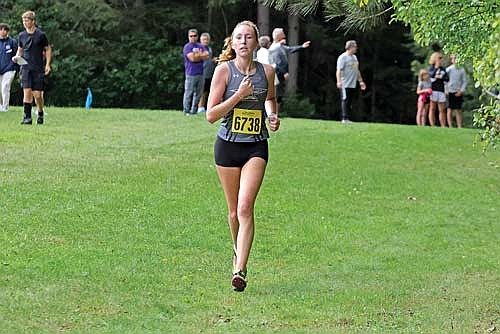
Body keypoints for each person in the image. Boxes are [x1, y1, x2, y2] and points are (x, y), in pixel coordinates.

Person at [206, 20, 280, 292]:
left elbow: (270, 98)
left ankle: (240, 270)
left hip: (255, 146)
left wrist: (272, 114)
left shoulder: (268, 71)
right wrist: (238, 96)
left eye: (249, 37)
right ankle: (238, 253)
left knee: (246, 206)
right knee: (233, 213)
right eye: (239, 37)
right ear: (233, 42)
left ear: (256, 42)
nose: (244, 41)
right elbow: (211, 115)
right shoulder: (223, 72)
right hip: (227, 146)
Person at [12, 11, 51, 125]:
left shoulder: (41, 35)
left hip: (37, 68)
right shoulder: (21, 35)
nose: (25, 23)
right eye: (23, 20)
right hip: (25, 67)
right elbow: (20, 50)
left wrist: (47, 64)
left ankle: (40, 112)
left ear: (33, 21)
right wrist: (16, 57)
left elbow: (48, 49)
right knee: (27, 92)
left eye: (27, 20)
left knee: (37, 95)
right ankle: (27, 118)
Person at [268, 28, 310, 113]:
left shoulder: (280, 46)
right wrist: (285, 72)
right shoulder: (274, 48)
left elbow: (290, 49)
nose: (284, 35)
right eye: (282, 33)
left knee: (279, 94)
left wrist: (302, 46)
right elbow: (278, 62)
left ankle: (276, 113)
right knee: (276, 94)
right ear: (278, 36)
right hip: (277, 74)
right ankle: (273, 113)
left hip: (280, 74)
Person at [336, 40, 366, 123]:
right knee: (345, 100)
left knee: (349, 101)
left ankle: (347, 118)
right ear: (350, 47)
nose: (356, 48)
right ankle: (344, 118)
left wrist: (361, 81)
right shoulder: (343, 57)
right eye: (355, 46)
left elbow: (356, 70)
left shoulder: (354, 57)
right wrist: (339, 81)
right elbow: (339, 70)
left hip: (352, 84)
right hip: (344, 83)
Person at [182, 28, 208, 116]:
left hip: (200, 73)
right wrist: (200, 55)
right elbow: (192, 58)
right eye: (191, 36)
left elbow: (207, 55)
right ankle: (186, 111)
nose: (193, 37)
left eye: (194, 36)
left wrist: (198, 55)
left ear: (197, 36)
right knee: (189, 93)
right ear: (188, 37)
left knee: (199, 93)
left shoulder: (200, 45)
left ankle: (194, 111)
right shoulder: (187, 47)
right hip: (190, 73)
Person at [0, 23, 19, 112]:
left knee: (5, 87)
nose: (2, 31)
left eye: (4, 30)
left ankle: (5, 107)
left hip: (9, 69)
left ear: (7, 31)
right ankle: (0, 106)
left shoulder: (12, 42)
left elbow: (17, 55)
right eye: (1, 29)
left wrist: (15, 68)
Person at [197, 32, 216, 113]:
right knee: (200, 91)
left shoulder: (209, 49)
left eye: (207, 39)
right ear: (201, 40)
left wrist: (213, 60)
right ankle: (198, 107)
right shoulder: (199, 49)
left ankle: (203, 107)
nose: (206, 41)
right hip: (201, 73)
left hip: (209, 73)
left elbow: (208, 60)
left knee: (206, 91)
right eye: (204, 39)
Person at [428, 52, 448, 127]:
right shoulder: (431, 68)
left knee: (442, 109)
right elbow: (431, 74)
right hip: (433, 90)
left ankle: (443, 125)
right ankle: (432, 125)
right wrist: (436, 68)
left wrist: (440, 77)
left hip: (441, 90)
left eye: (441, 58)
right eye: (439, 58)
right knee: (432, 108)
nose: (440, 60)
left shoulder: (443, 69)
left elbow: (447, 78)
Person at [446, 54, 467, 128]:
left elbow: (464, 81)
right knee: (449, 109)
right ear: (452, 60)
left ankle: (459, 126)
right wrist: (446, 89)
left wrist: (461, 91)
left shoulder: (462, 69)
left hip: (458, 92)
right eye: (454, 59)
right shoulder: (449, 69)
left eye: (457, 58)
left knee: (458, 110)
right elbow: (445, 80)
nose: (455, 60)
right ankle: (450, 126)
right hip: (450, 92)